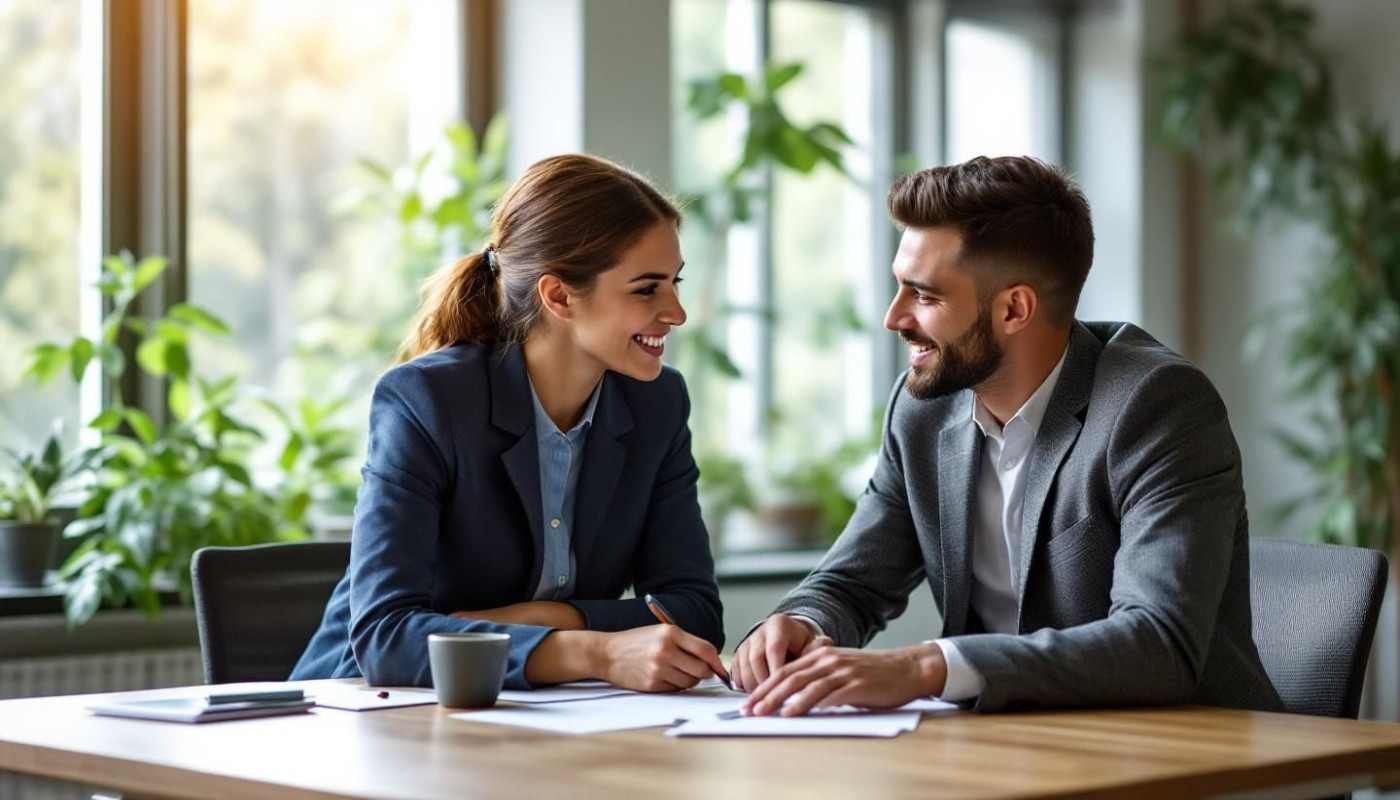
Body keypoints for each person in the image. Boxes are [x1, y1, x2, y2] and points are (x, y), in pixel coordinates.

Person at [732, 155, 1283, 716]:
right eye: (899, 288)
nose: (893, 318)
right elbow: (852, 581)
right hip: (1011, 749)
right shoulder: (923, 409)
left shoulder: (1156, 406)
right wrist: (801, 623)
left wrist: (926, 665)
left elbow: (1159, 644)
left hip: (1188, 756)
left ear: (1014, 308)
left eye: (924, 296)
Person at [291, 153, 727, 692]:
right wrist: (596, 650)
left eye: (675, 283)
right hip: (366, 708)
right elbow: (385, 638)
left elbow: (694, 612)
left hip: (538, 715)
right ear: (559, 295)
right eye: (647, 289)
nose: (677, 312)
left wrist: (537, 620)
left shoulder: (656, 403)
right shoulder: (427, 400)